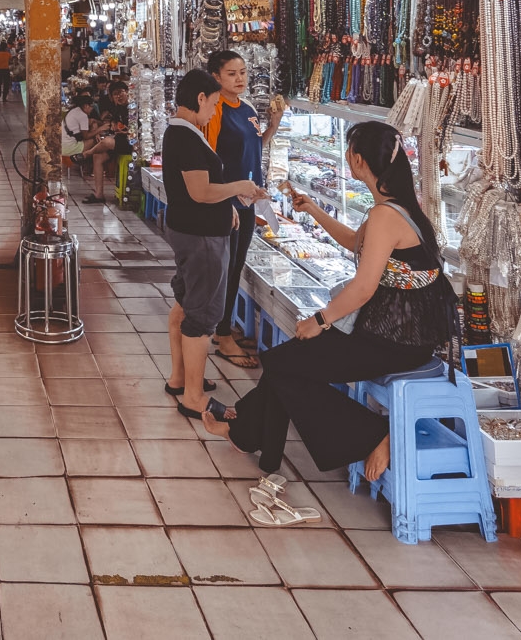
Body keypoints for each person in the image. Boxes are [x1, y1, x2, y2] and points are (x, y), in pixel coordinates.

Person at [204, 120, 457, 526]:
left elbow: (362, 288)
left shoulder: (386, 215)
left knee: (285, 362)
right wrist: (313, 209)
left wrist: (319, 321)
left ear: (358, 160)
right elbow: (354, 243)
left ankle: (372, 434)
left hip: (395, 339)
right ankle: (255, 444)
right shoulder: (395, 208)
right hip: (398, 331)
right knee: (286, 360)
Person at [160, 69, 268, 426]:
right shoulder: (186, 137)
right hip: (200, 237)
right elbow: (200, 192)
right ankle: (193, 397)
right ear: (201, 97)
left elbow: (206, 190)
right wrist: (240, 186)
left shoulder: (184, 132)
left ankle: (180, 378)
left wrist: (229, 205)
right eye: (214, 103)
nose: (214, 111)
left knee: (186, 303)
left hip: (196, 229)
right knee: (202, 315)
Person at [204, 51, 280, 371]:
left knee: (235, 267)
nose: (240, 78)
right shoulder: (215, 109)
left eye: (243, 72)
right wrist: (223, 202)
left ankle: (223, 327)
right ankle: (222, 335)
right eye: (232, 73)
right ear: (216, 77)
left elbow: (254, 147)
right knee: (226, 267)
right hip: (227, 201)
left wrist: (273, 125)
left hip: (246, 200)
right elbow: (208, 159)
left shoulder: (247, 108)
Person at [61, 91, 115, 200]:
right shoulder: (82, 115)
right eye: (91, 107)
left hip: (63, 145)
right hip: (69, 148)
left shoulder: (75, 111)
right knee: (97, 144)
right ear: (86, 106)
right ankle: (89, 167)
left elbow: (91, 122)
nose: (91, 110)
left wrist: (95, 125)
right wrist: (100, 129)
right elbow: (86, 136)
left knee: (96, 137)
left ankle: (92, 167)